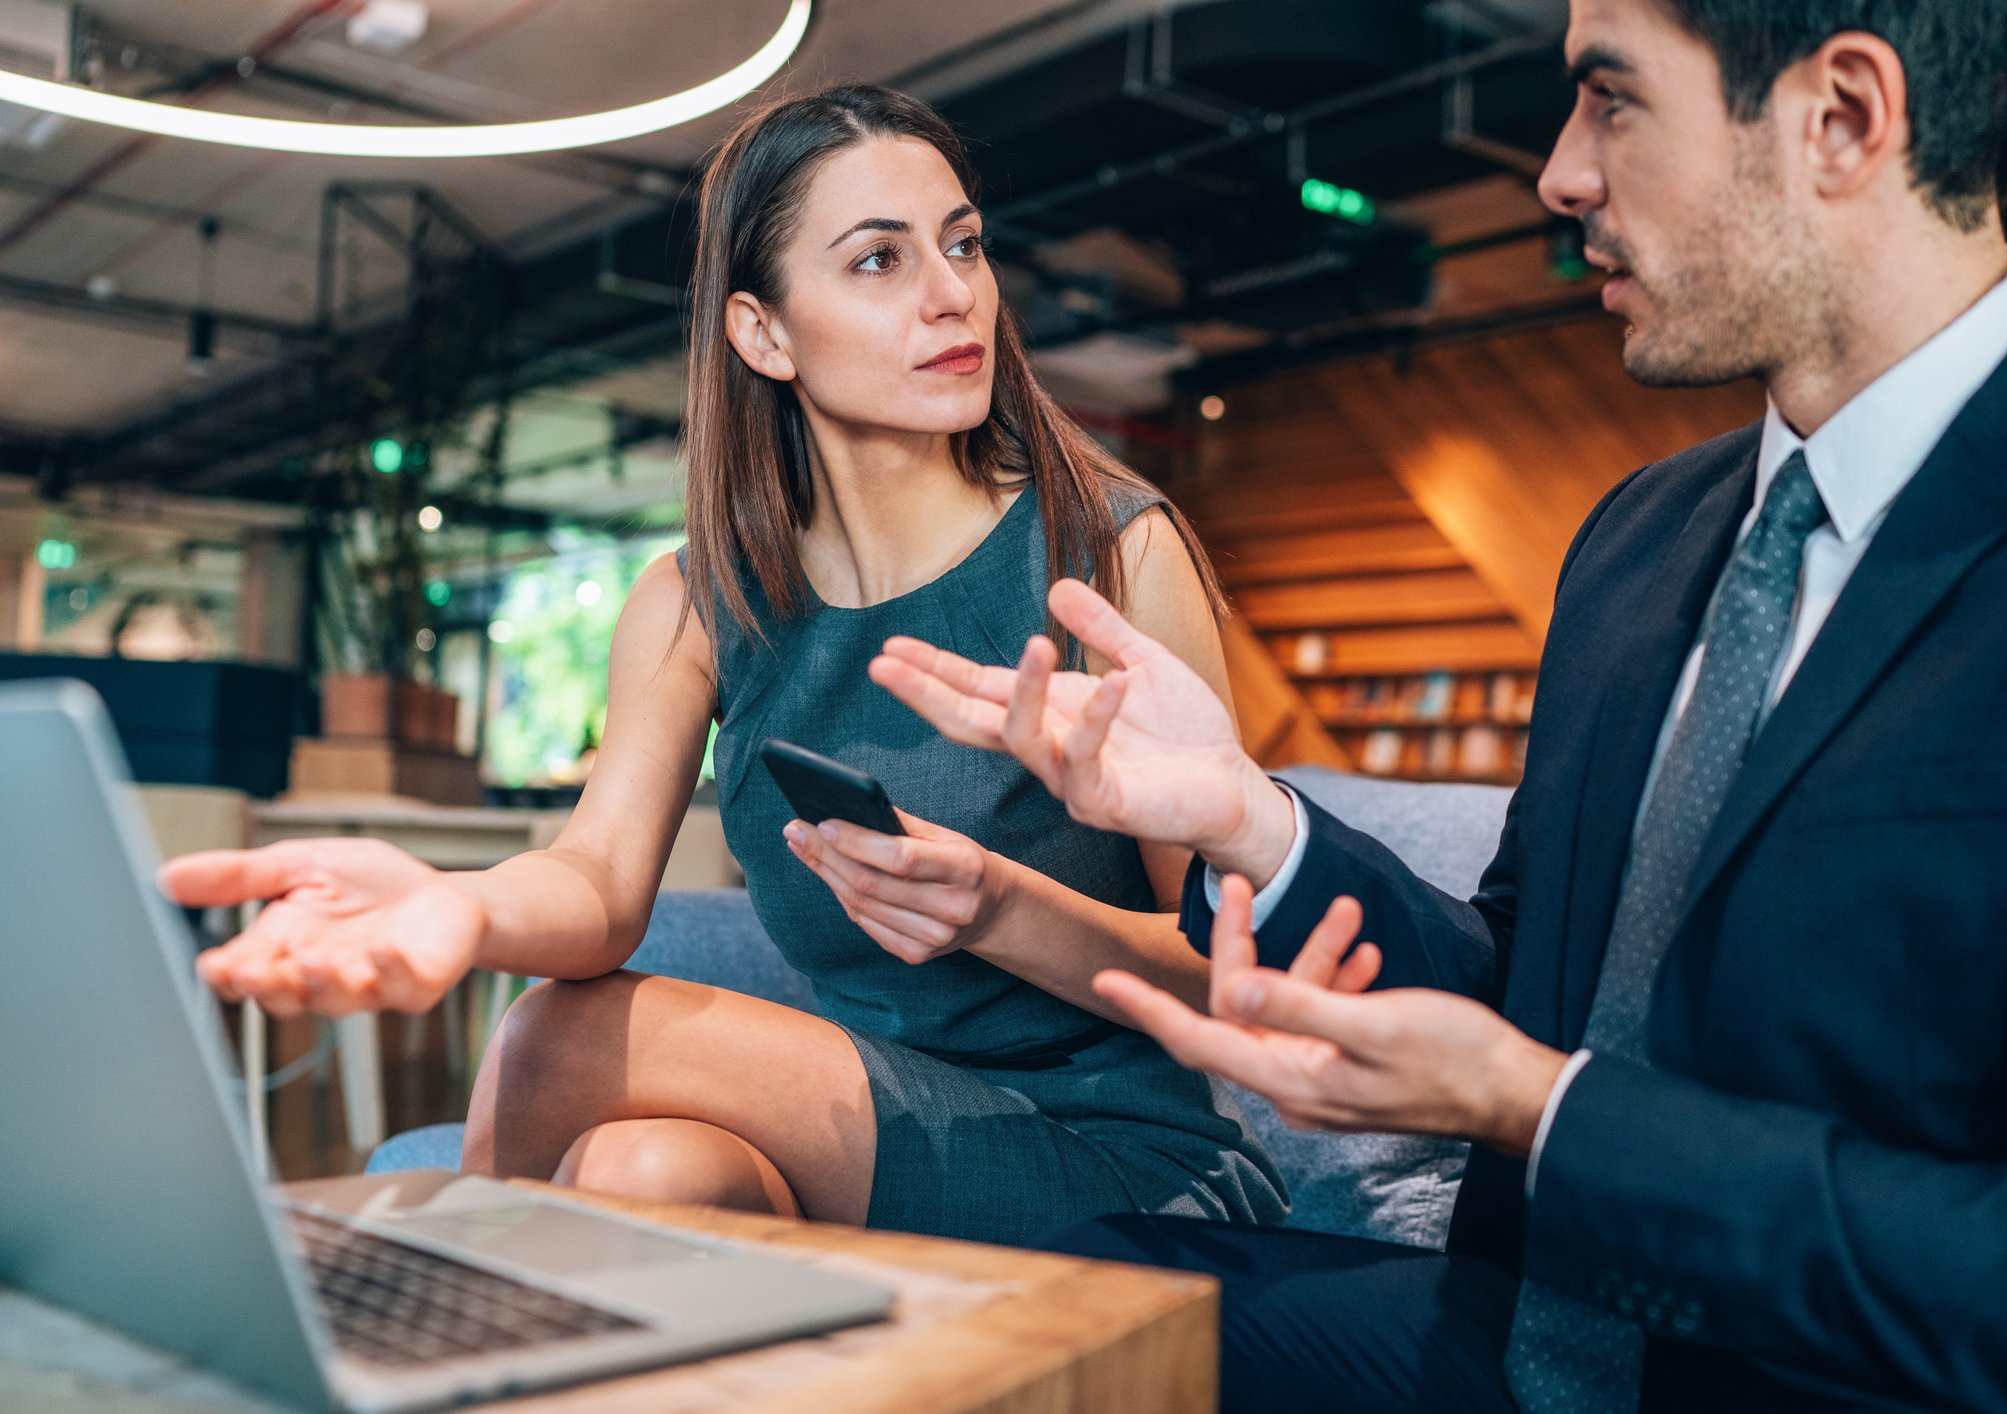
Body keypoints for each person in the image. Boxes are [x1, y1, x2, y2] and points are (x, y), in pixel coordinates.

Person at [872, 0, 2007, 1408]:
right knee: (1050, 1324)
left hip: (1824, 1374)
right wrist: (1254, 821)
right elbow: (1524, 969)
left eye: (1611, 97)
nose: (1560, 173)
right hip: (1520, 1328)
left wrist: (1543, 1110)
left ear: (1842, 117)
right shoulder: (1642, 534)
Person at [160, 85, 1290, 1248]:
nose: (954, 295)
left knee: (558, 1036)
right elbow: (597, 887)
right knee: (637, 1163)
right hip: (880, 1122)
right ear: (762, 333)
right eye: (879, 261)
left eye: (962, 244)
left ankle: (430, 1345)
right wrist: (454, 899)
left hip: (1126, 1157)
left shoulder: (1110, 548)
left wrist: (1003, 909)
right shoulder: (698, 601)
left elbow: (1236, 974)